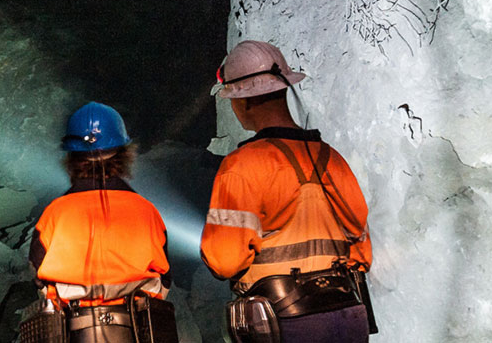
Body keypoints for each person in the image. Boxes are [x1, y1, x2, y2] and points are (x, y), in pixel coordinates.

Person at [201, 41, 375, 343]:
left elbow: (224, 260)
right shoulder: (333, 159)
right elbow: (362, 252)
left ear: (243, 101)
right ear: (283, 90)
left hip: (285, 321)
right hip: (348, 314)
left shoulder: (242, 167)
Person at [24, 102, 178, 343]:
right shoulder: (147, 211)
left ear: (72, 158)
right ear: (124, 154)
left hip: (73, 332)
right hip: (138, 331)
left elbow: (39, 277)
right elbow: (165, 278)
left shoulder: (54, 214)